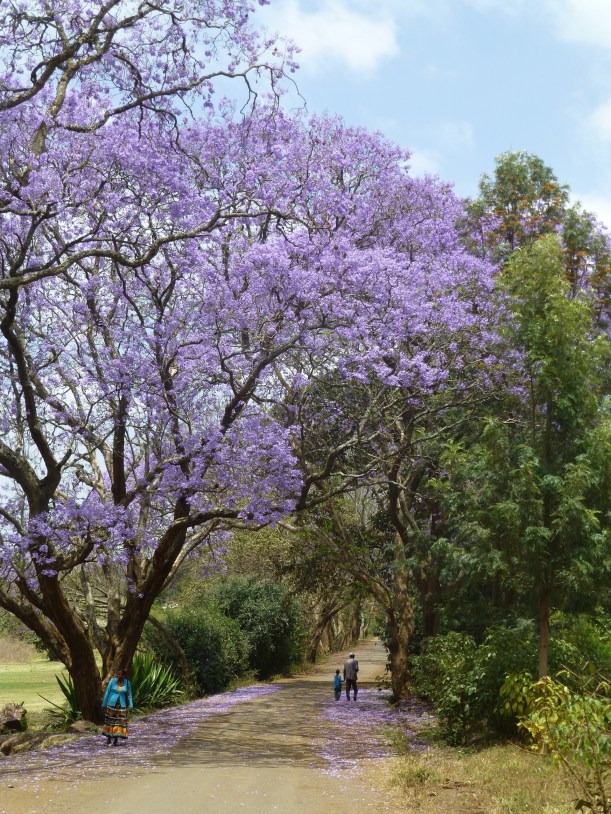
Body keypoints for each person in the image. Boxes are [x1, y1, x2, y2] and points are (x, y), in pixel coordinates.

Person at [101, 667, 133, 746]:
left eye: (119, 674)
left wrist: (131, 705)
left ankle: (115, 739)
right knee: (110, 722)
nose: (117, 676)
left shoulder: (127, 683)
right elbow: (107, 693)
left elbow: (129, 695)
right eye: (117, 674)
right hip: (111, 705)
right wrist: (104, 704)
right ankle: (109, 739)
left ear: (123, 675)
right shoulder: (112, 681)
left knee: (119, 723)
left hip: (121, 706)